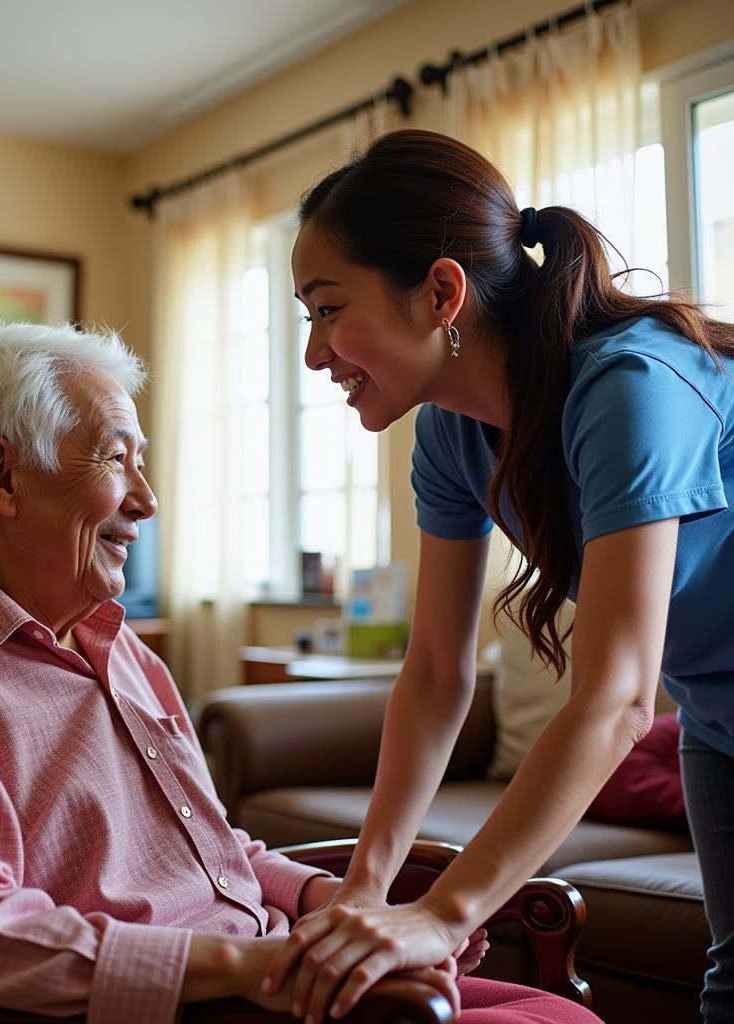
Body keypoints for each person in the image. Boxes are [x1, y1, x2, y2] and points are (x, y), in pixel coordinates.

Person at [0, 322, 602, 1024]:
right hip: (185, 1001)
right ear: (2, 476)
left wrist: (338, 907)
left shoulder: (120, 650)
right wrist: (254, 969)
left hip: (263, 971)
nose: (148, 499)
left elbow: (207, 850)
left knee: (559, 1015)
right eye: (115, 459)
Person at [263, 128, 734, 1024]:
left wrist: (445, 916)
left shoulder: (630, 387)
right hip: (717, 712)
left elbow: (618, 699)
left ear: (442, 292)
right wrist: (368, 888)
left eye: (327, 309)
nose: (316, 354)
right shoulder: (447, 432)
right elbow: (437, 674)